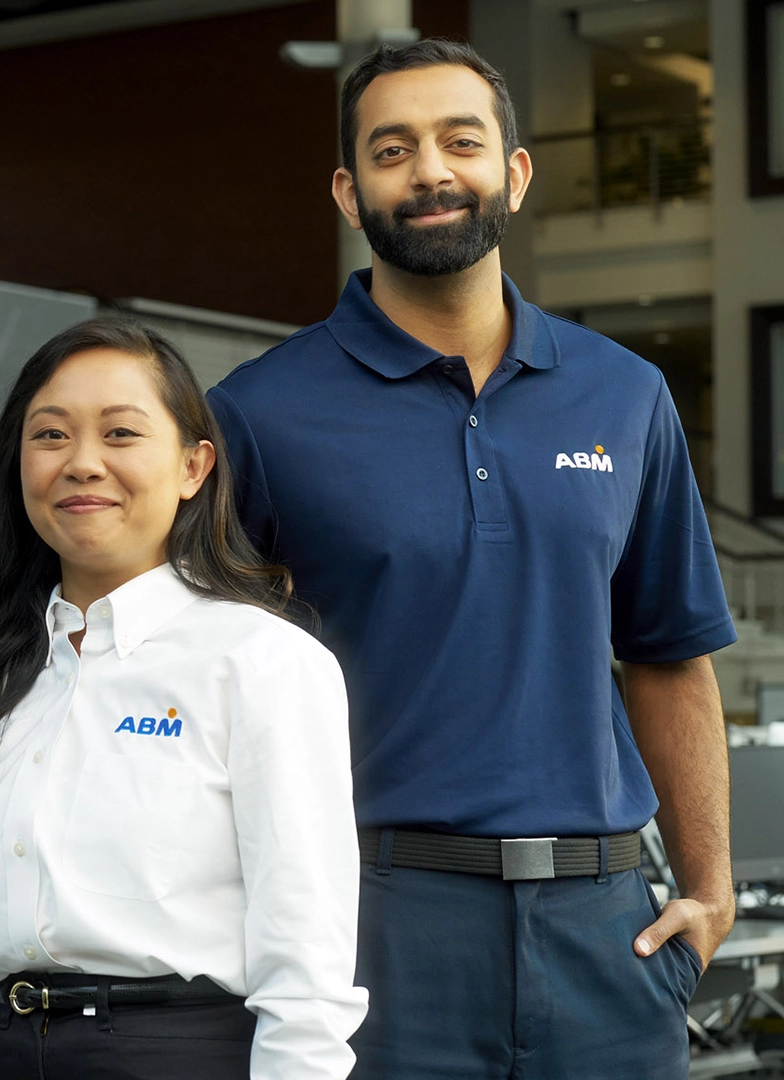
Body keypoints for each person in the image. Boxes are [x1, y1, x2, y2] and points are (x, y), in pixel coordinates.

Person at [207, 39, 735, 1078]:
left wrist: (710, 891)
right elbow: (203, 676)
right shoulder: (258, 414)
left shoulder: (626, 395)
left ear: (516, 173)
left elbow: (670, 653)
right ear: (349, 194)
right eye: (392, 150)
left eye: (461, 142)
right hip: (376, 921)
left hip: (607, 929)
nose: (431, 172)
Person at [0, 317, 368, 1079]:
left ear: (193, 466)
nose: (82, 464)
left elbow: (307, 966)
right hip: (2, 1052)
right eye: (50, 436)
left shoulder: (261, 662)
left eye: (120, 434)